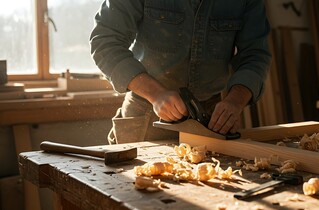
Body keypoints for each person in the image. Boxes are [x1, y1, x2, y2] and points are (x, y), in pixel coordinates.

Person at [90, 0, 272, 148]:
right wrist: (156, 94)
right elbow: (105, 43)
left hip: (210, 118)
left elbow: (255, 55)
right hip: (146, 113)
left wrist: (235, 101)